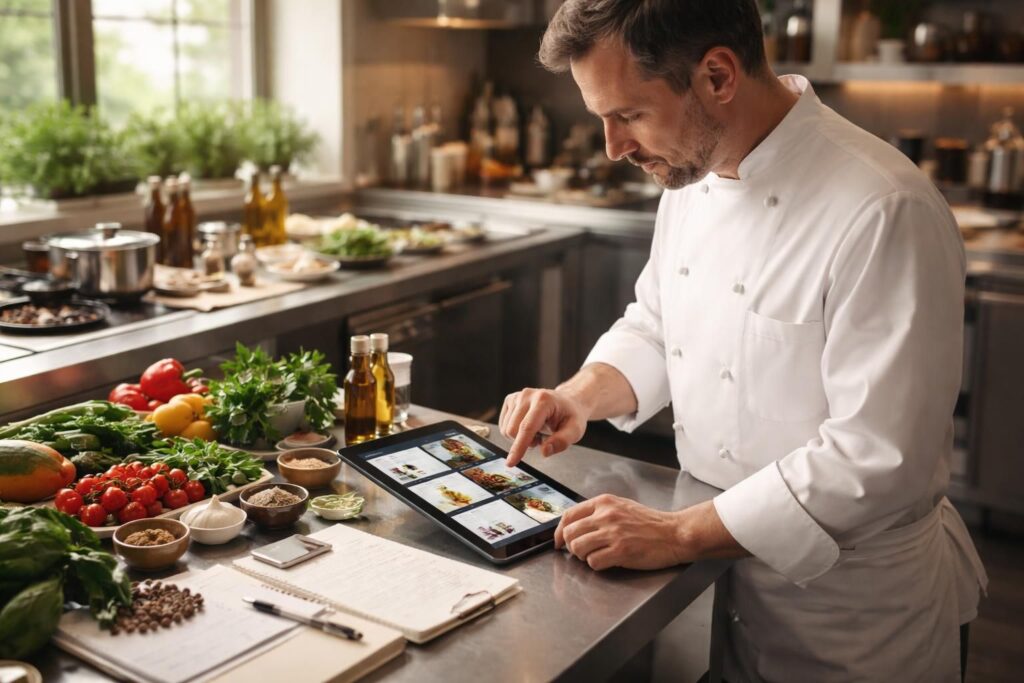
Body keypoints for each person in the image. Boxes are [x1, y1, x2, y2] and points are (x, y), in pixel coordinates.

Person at [498, 1, 988, 680]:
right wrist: (578, 395)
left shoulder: (884, 208)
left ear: (719, 77)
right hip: (708, 590)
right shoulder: (691, 178)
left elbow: (878, 455)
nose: (613, 146)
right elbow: (657, 321)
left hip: (848, 620)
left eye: (629, 115)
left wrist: (675, 532)